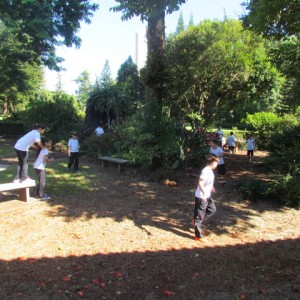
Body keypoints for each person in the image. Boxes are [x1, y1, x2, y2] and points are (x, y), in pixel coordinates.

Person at [193, 155, 219, 241]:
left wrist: (211, 187)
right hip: (202, 196)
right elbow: (200, 183)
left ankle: (196, 221)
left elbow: (207, 182)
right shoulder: (206, 171)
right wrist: (204, 193)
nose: (217, 165)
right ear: (213, 163)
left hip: (207, 194)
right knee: (199, 216)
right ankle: (198, 236)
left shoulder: (209, 171)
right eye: (216, 163)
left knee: (212, 209)